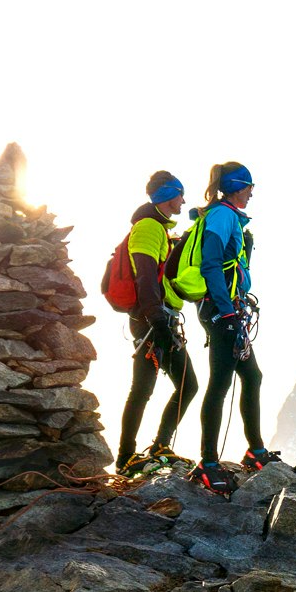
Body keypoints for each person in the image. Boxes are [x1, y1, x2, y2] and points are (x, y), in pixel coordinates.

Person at [190, 161, 277, 486]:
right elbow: (211, 264)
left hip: (227, 310)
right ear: (240, 187)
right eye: (250, 187)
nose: (252, 193)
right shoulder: (222, 216)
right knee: (220, 384)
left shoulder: (224, 215)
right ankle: (209, 463)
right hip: (221, 312)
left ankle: (255, 450)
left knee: (251, 376)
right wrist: (226, 312)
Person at [116, 170, 198, 472]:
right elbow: (145, 275)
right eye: (180, 194)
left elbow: (158, 274)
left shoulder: (157, 229)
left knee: (185, 385)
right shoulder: (149, 228)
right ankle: (126, 458)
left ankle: (160, 445)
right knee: (144, 388)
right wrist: (157, 320)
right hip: (152, 320)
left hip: (159, 318)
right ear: (168, 195)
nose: (183, 200)